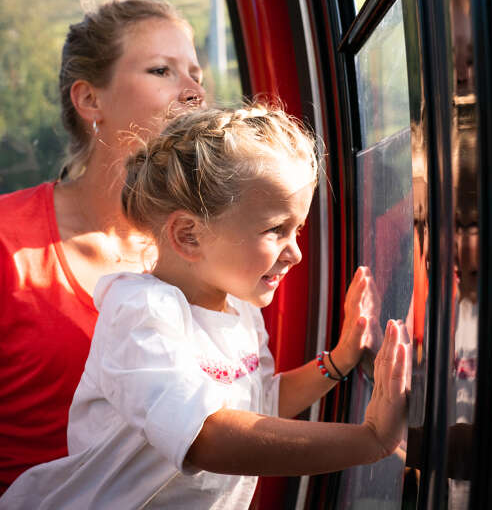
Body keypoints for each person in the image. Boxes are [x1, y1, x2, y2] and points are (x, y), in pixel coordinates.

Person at [0, 104, 409, 509]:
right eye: (276, 230)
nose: (296, 254)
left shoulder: (241, 309)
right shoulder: (141, 312)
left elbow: (260, 404)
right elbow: (205, 437)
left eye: (297, 229)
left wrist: (337, 361)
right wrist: (368, 440)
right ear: (189, 236)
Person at [0, 0, 205, 494]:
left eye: (196, 74)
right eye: (163, 70)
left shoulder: (212, 244)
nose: (196, 92)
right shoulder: (8, 242)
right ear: (91, 100)